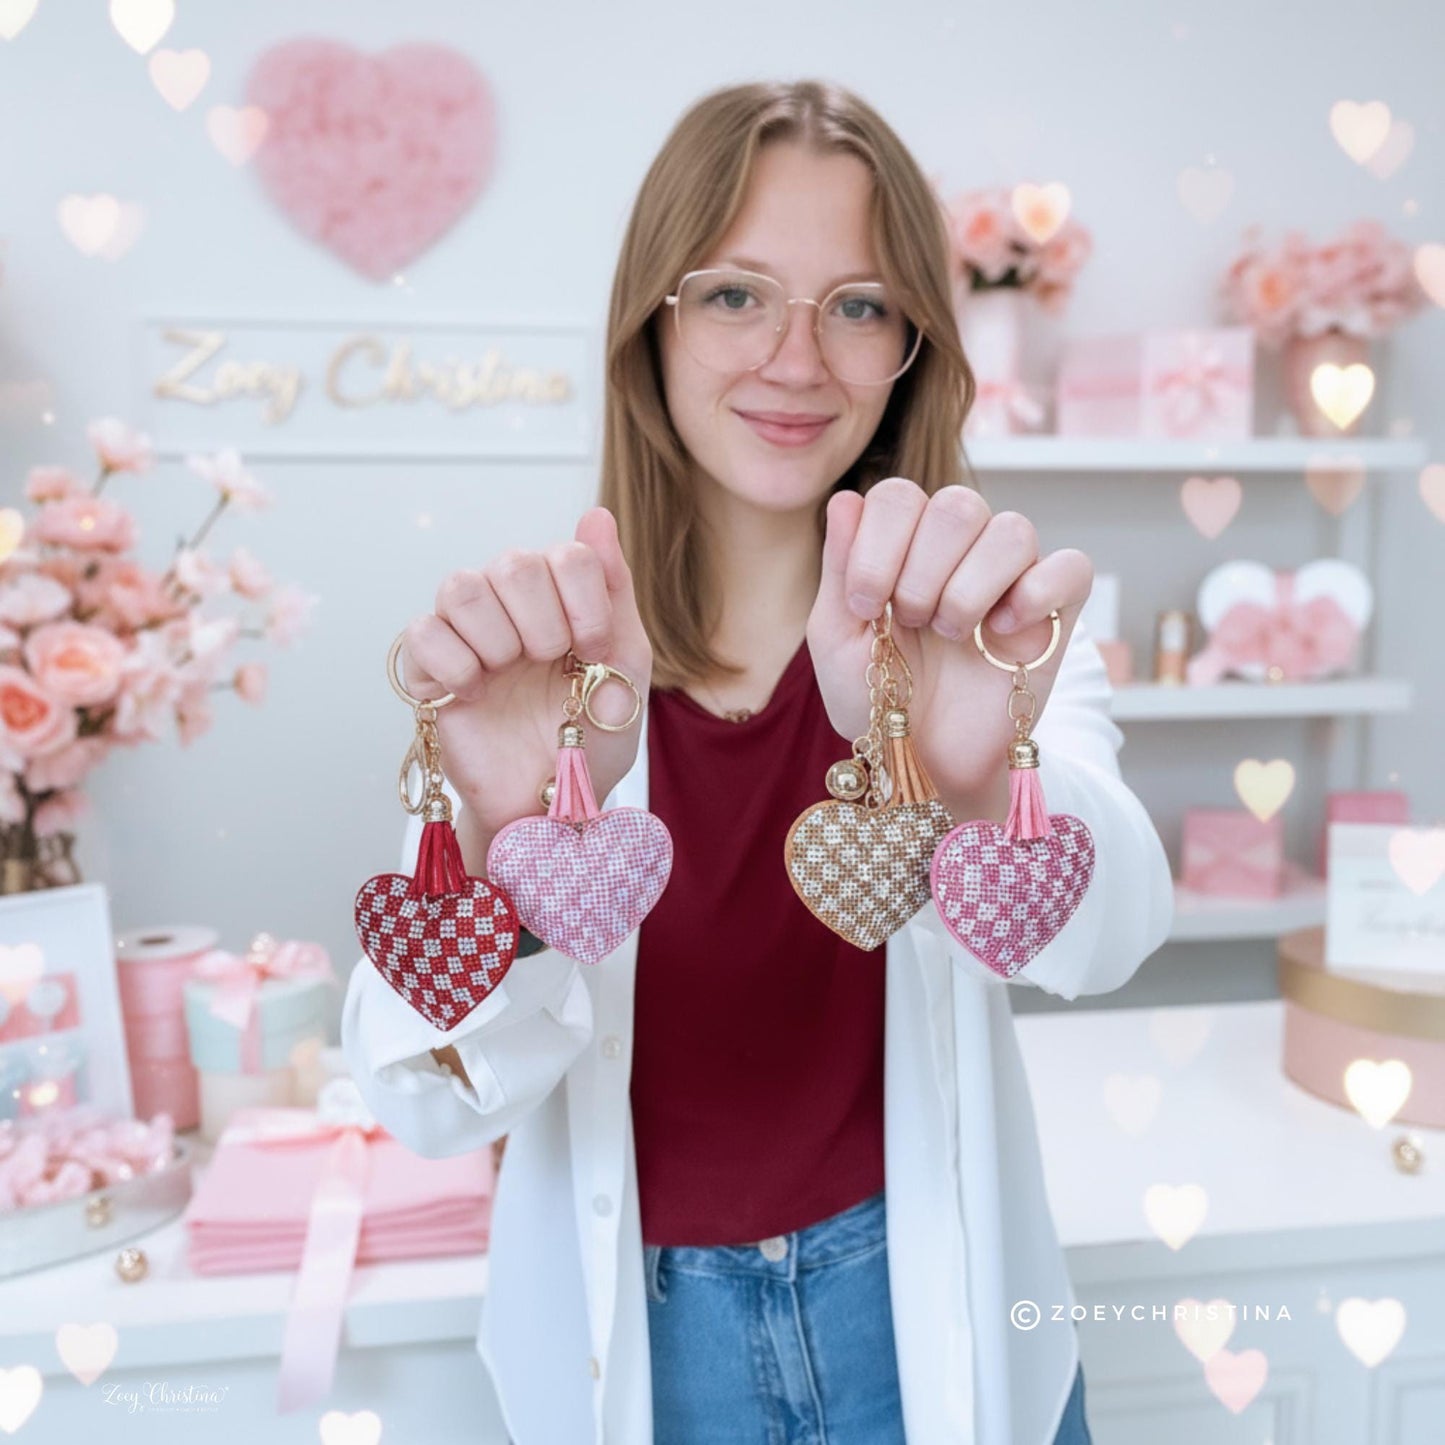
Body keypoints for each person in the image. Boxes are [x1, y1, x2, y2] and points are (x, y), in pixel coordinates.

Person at [342, 78, 1173, 1445]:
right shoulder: (541, 660)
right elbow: (419, 1100)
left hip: (923, 1314)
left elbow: (1116, 929)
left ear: (909, 341)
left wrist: (974, 782)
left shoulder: (979, 635)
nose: (797, 359)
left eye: (856, 304)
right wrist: (501, 834)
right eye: (734, 294)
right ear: (650, 326)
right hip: (655, 1352)